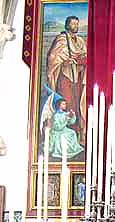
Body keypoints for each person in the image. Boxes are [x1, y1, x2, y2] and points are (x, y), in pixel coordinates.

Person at [46, 15, 87, 145]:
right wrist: (64, 61)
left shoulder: (80, 41)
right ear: (67, 25)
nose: (76, 26)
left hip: (77, 77)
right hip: (65, 77)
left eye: (77, 23)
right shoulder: (62, 40)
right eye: (73, 24)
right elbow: (53, 57)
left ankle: (77, 135)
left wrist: (79, 60)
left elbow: (86, 56)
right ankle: (64, 136)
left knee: (77, 105)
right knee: (67, 103)